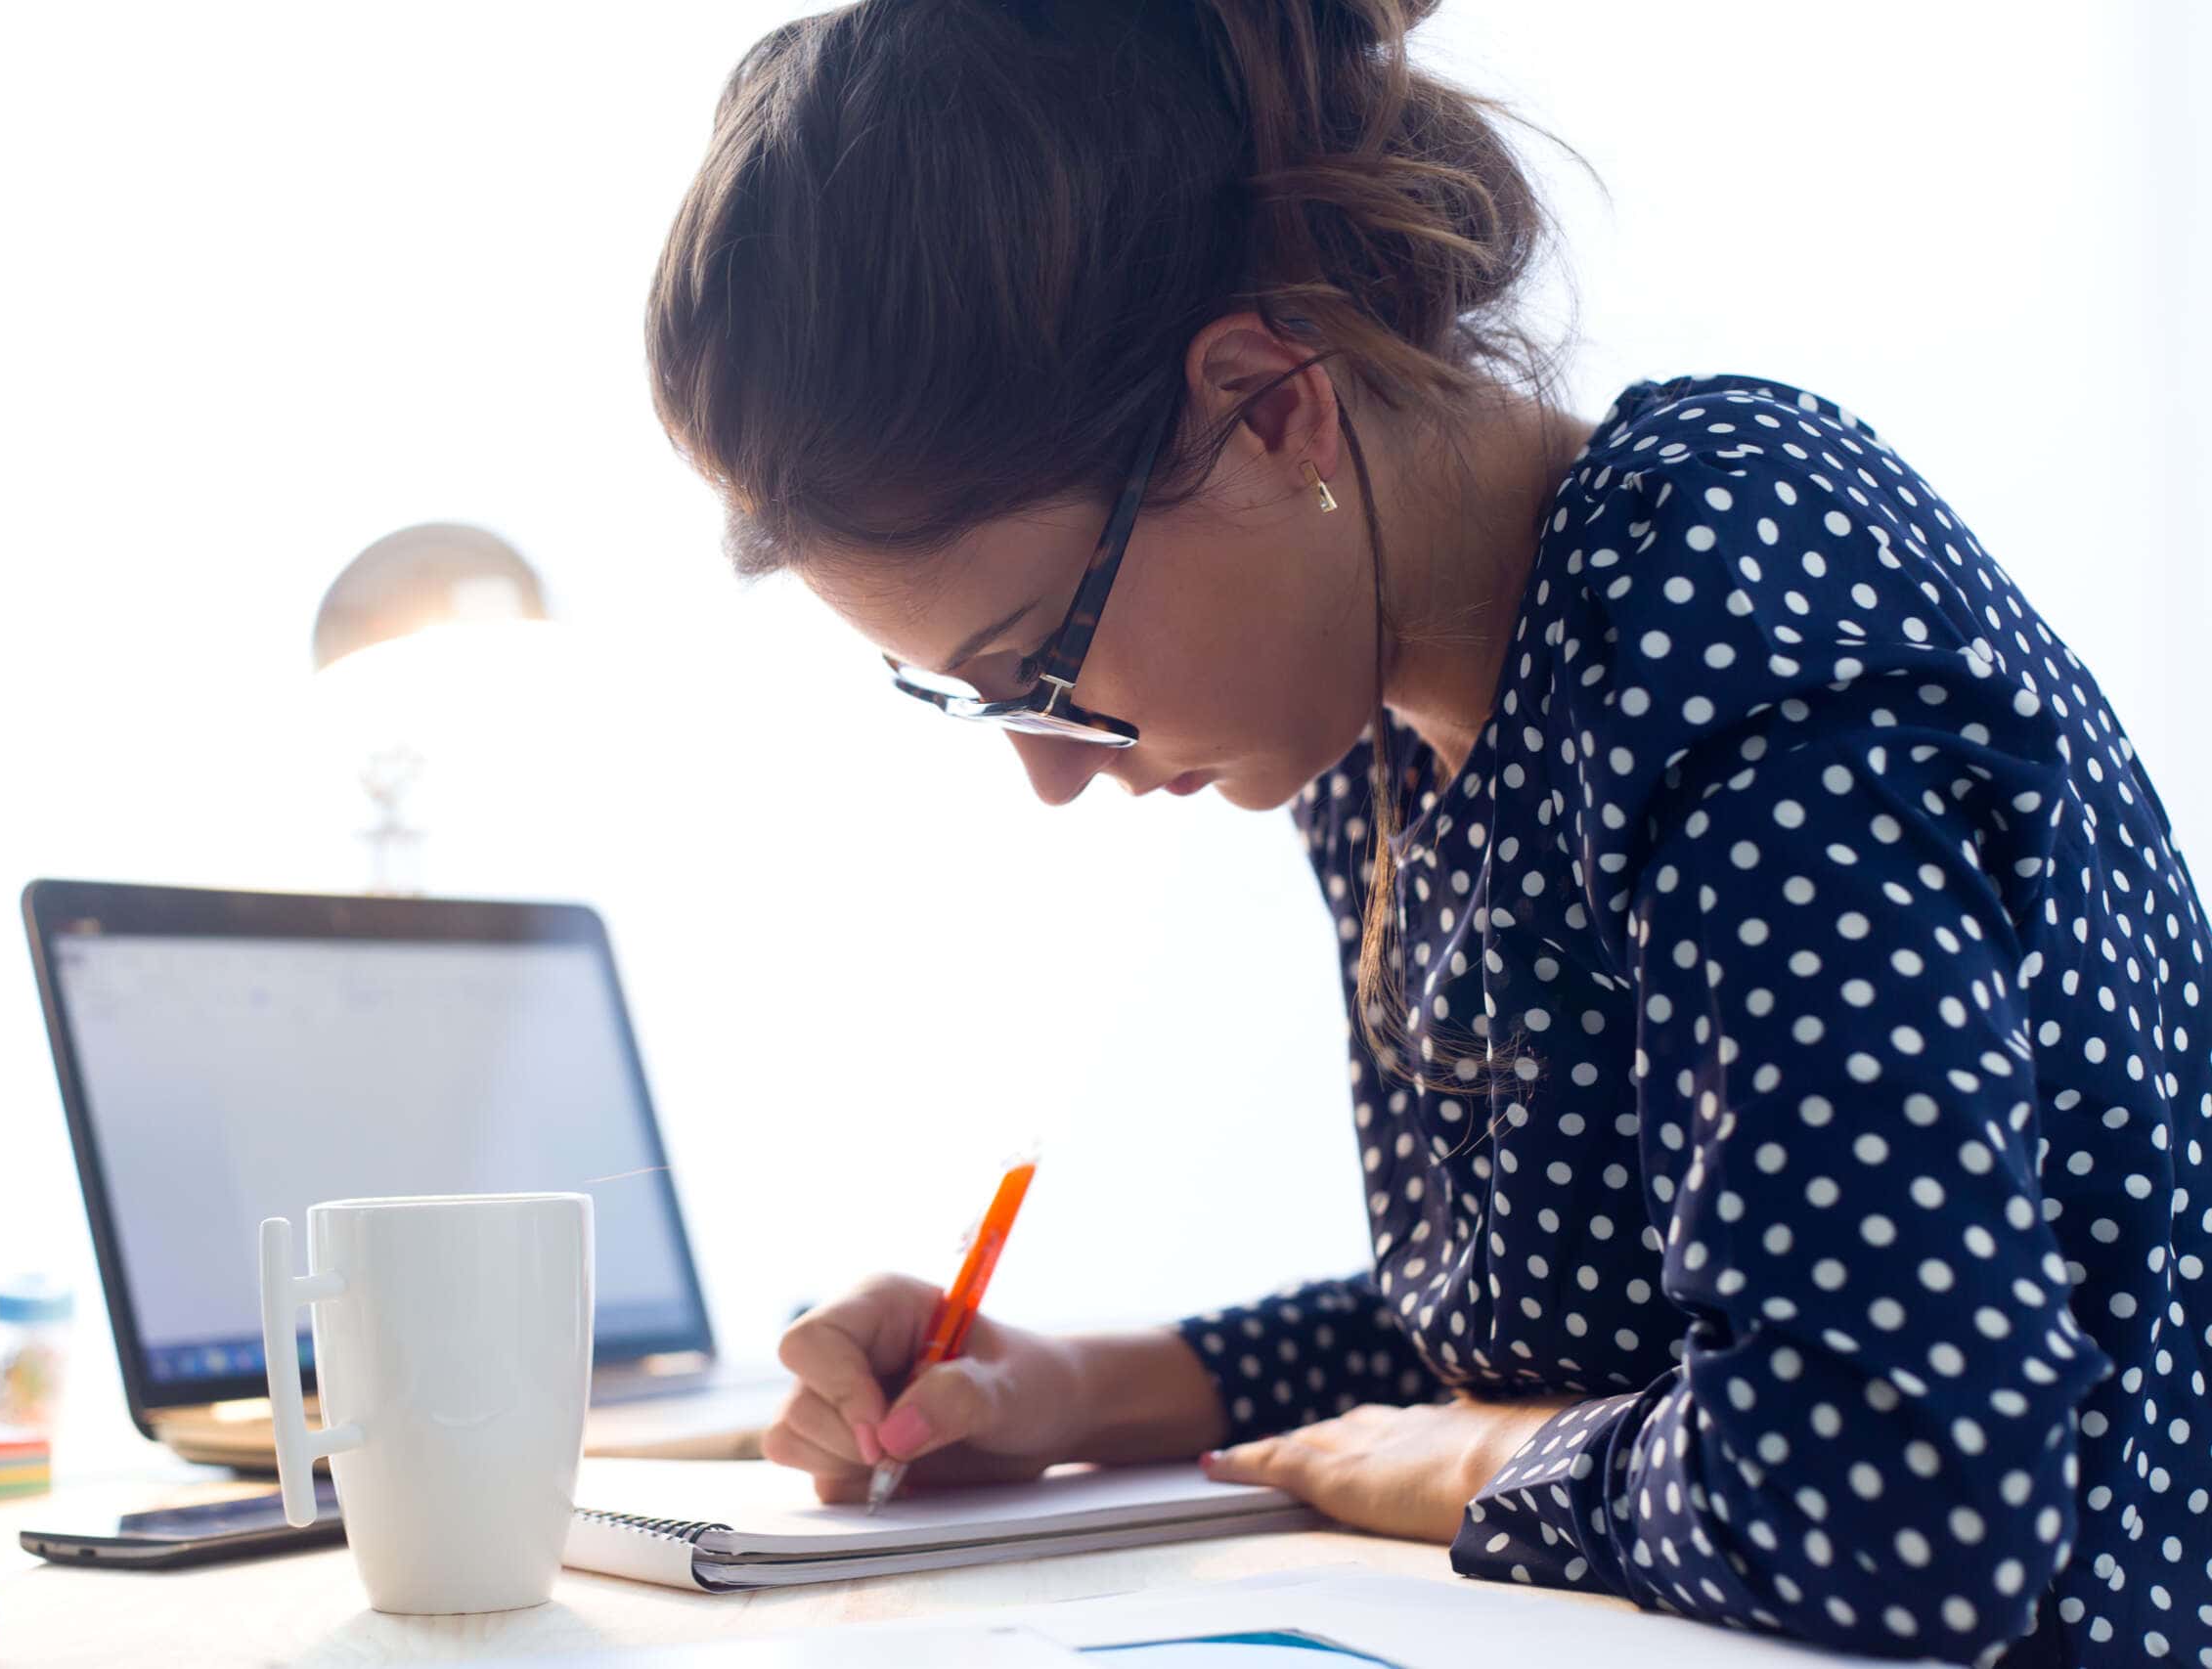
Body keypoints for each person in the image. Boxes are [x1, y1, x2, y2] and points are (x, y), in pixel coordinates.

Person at [643, 3, 2210, 1663]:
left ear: (1268, 409)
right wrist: (1066, 1387)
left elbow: (1905, 1482)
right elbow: (1562, 1321)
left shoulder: (1727, 584)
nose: (1049, 770)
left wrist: (1475, 1464)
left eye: (1041, 667)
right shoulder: (1377, 741)